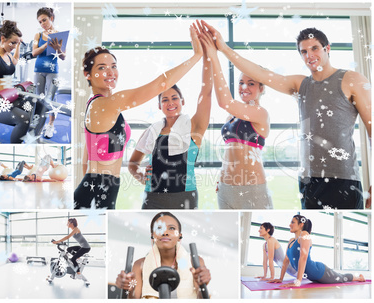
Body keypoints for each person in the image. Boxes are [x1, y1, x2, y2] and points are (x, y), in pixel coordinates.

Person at [199, 21, 371, 209]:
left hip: (343, 179)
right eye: (304, 52)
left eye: (315, 48)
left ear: (327, 48)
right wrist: (224, 49)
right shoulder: (300, 84)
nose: (309, 55)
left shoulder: (352, 80)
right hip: (308, 181)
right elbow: (262, 74)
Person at [74, 25, 203, 209]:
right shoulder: (104, 104)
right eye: (102, 67)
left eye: (113, 66)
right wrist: (196, 56)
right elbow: (161, 83)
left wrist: (89, 182)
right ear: (87, 74)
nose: (111, 72)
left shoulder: (97, 105)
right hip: (98, 188)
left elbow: (86, 157)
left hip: (100, 187)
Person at [128, 27, 212, 209]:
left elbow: (206, 93)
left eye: (174, 98)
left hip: (185, 196)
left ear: (182, 101)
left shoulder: (195, 126)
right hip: (152, 196)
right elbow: (132, 163)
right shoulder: (152, 131)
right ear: (159, 106)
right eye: (164, 99)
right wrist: (141, 176)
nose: (170, 102)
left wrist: (206, 55)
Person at [198, 22, 272, 209]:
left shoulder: (261, 114)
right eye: (241, 82)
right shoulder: (231, 117)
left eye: (251, 83)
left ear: (262, 88)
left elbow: (225, 102)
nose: (244, 87)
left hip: (252, 188)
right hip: (225, 188)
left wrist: (215, 56)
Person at [115, 212, 211, 299]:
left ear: (179, 236)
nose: (165, 233)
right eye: (159, 228)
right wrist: (128, 288)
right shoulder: (140, 265)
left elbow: (201, 298)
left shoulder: (195, 262)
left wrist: (202, 286)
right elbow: (134, 299)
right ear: (152, 236)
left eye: (172, 228)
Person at [268, 215, 365, 287]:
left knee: (341, 278)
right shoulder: (291, 241)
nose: (290, 224)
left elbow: (303, 258)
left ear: (301, 225)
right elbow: (285, 261)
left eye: (293, 222)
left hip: (320, 272)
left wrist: (298, 281)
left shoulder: (305, 235)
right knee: (340, 276)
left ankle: (359, 277)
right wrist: (280, 279)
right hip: (312, 276)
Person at [32, 7, 66, 139]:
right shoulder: (38, 35)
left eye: (44, 20)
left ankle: (50, 125)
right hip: (39, 70)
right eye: (40, 22)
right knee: (39, 98)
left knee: (51, 99)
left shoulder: (60, 35)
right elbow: (34, 52)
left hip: (53, 71)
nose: (42, 24)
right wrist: (45, 45)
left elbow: (63, 57)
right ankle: (39, 125)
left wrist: (58, 49)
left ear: (51, 18)